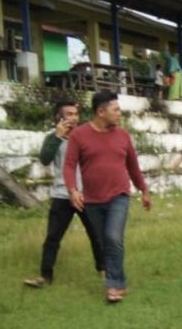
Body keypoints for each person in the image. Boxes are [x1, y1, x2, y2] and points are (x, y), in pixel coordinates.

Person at [64, 92, 152, 303]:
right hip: (92, 200)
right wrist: (73, 190)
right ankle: (118, 281)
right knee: (103, 242)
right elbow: (69, 165)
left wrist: (144, 190)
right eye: (116, 110)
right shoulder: (79, 135)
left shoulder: (123, 135)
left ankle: (114, 285)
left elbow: (133, 166)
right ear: (101, 112)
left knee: (113, 237)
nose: (119, 114)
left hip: (119, 196)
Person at [23, 100, 103, 288]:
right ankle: (45, 276)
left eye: (76, 114)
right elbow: (44, 160)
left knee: (97, 235)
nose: (74, 117)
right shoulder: (52, 137)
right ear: (58, 117)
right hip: (62, 194)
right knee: (53, 238)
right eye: (69, 114)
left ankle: (104, 270)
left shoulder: (87, 135)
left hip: (87, 195)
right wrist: (57, 137)